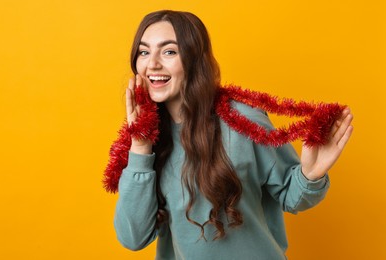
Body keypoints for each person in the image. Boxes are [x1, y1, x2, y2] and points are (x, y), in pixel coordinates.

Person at [113, 10, 353, 260]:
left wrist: (311, 176)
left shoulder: (241, 120)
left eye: (169, 51)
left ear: (195, 59)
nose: (152, 64)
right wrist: (140, 146)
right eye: (144, 52)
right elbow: (133, 238)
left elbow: (293, 197)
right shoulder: (149, 140)